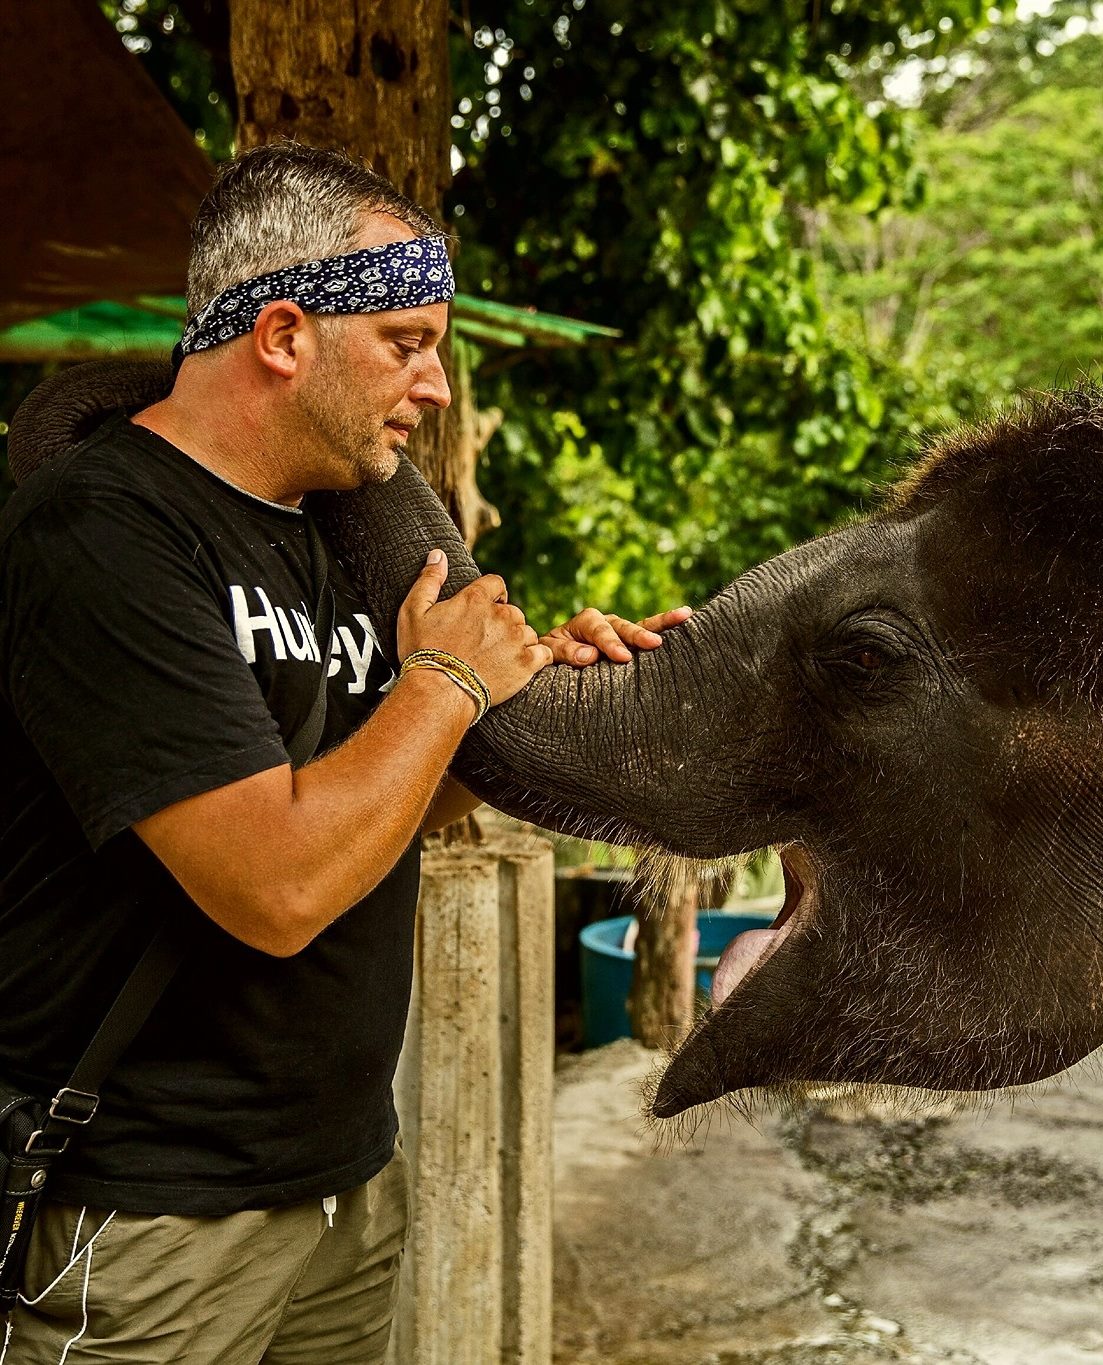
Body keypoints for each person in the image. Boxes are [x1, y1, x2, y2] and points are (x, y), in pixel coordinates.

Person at [0, 142, 689, 1363]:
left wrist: (522, 715)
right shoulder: (102, 532)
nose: (432, 389)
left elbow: (362, 807)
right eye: (407, 344)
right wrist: (444, 683)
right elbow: (274, 888)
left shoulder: (335, 543)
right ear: (280, 334)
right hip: (152, 1210)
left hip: (339, 1184)